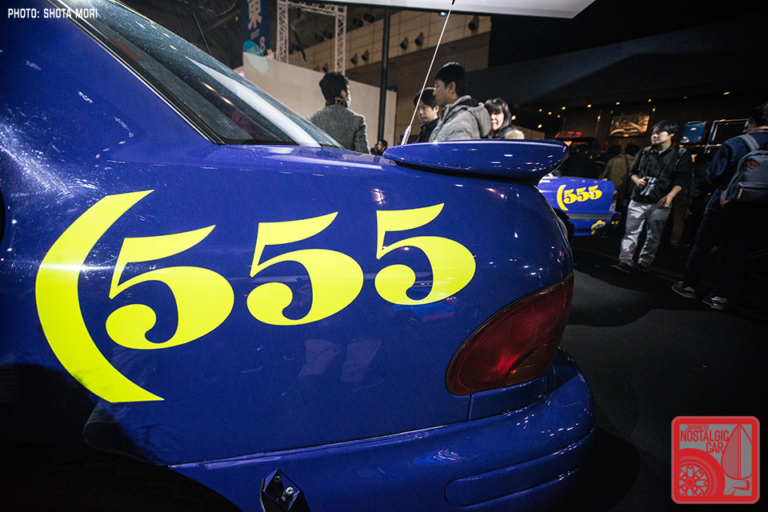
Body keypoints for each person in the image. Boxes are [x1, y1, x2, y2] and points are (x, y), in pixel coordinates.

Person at [672, 101, 768, 310]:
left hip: (722, 205)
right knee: (738, 252)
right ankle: (720, 296)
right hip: (756, 209)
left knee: (702, 246)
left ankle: (689, 286)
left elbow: (713, 176)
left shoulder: (735, 143)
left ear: (751, 120)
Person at [612, 120, 691, 273]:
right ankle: (625, 261)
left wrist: (670, 196)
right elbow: (632, 172)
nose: (654, 136)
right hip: (638, 198)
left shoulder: (680, 154)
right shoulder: (645, 152)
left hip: (660, 199)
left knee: (654, 234)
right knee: (631, 231)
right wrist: (637, 181)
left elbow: (682, 178)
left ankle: (645, 262)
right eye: (653, 133)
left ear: (671, 134)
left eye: (659, 133)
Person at [307, 72, 369, 153]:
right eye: (348, 90)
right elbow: (363, 155)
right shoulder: (357, 120)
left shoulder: (311, 120)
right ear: (342, 92)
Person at [429, 62, 491, 142]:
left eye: (437, 86)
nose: (434, 93)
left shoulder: (463, 120)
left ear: (451, 87)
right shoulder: (451, 118)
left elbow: (456, 150)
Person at [600, 144, 639, 234]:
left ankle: (607, 230)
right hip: (626, 193)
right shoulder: (636, 164)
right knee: (623, 213)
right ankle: (619, 230)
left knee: (610, 211)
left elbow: (602, 176)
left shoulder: (613, 161)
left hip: (611, 191)